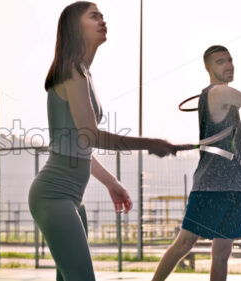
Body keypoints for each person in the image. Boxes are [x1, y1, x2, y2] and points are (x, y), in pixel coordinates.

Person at [28, 2, 176, 281]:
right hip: (53, 196)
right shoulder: (71, 70)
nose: (101, 19)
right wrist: (150, 143)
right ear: (75, 27)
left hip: (73, 199)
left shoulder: (84, 72)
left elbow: (77, 147)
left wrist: (111, 182)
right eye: (93, 16)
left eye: (102, 15)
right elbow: (91, 135)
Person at [151, 45, 241, 281]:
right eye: (221, 62)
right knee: (184, 243)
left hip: (236, 186)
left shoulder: (226, 97)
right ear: (208, 68)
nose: (228, 65)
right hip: (212, 186)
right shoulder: (219, 92)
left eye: (230, 60)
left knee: (222, 253)